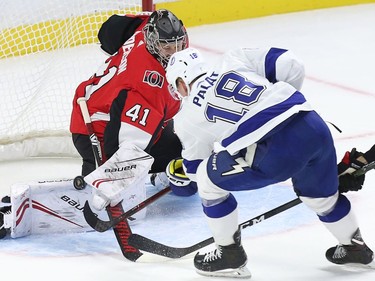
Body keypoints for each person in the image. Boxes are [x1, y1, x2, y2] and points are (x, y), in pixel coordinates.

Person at [164, 47, 373, 278]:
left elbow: (195, 172)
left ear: (182, 83)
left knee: (207, 180)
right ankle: (355, 247)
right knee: (321, 198)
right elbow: (290, 63)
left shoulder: (185, 119)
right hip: (312, 123)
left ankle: (229, 255)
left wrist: (182, 179)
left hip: (276, 150)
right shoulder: (232, 59)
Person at [69, 9, 197, 205]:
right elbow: (127, 145)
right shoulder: (150, 84)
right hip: (95, 130)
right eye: (168, 48)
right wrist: (110, 182)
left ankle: (159, 174)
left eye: (179, 45)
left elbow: (110, 30)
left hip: (100, 102)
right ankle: (88, 189)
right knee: (183, 158)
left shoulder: (144, 29)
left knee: (185, 148)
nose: (175, 53)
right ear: (154, 44)